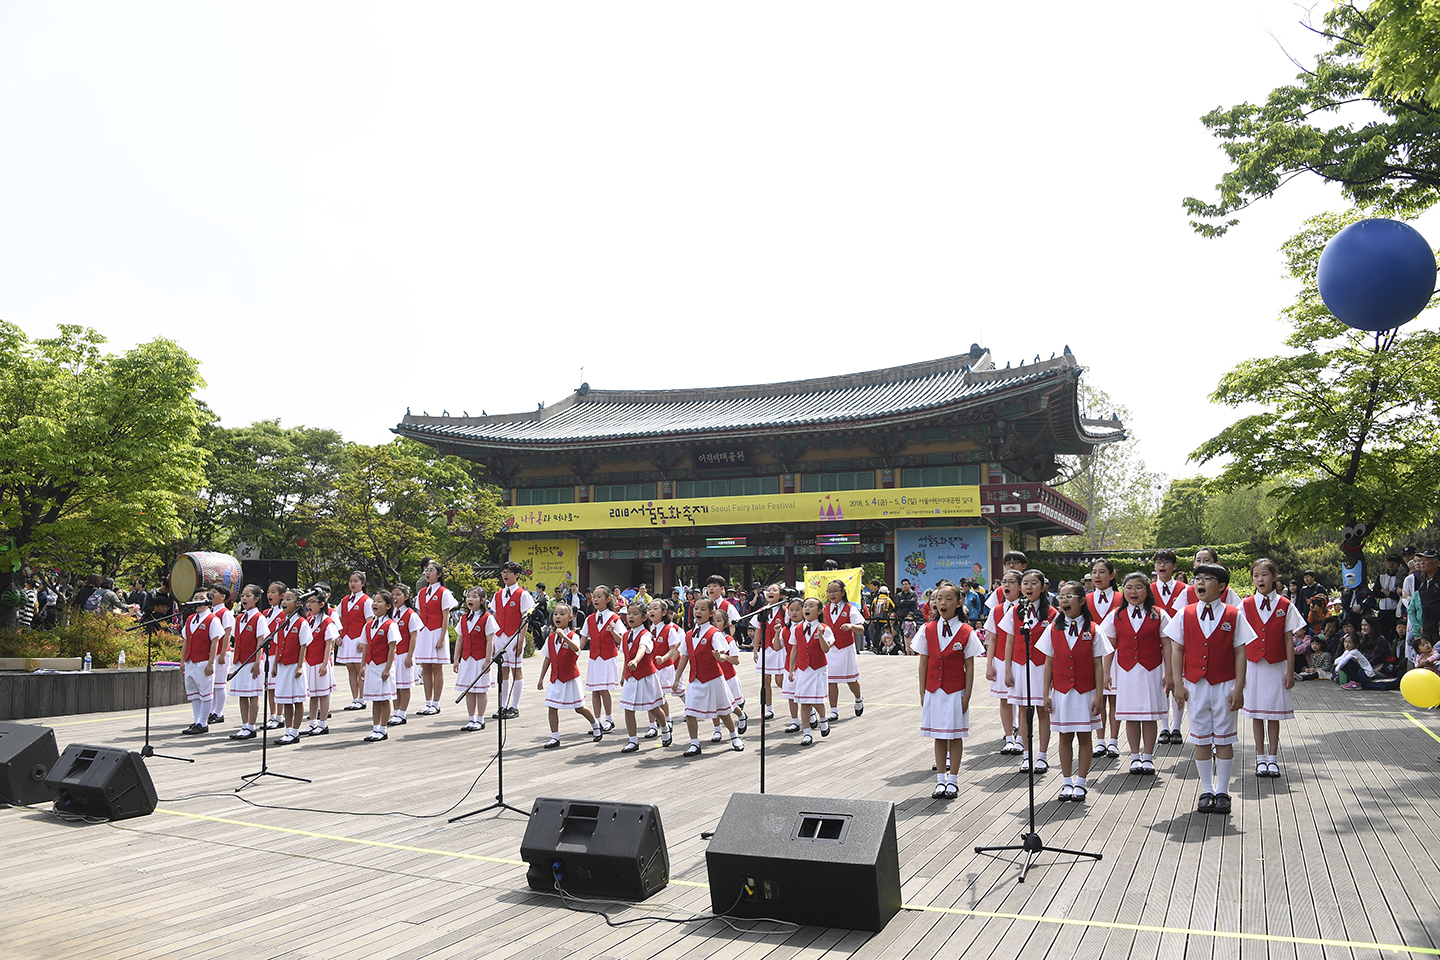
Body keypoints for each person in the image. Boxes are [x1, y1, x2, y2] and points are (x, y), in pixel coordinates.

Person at [1164, 563, 1257, 815]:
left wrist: (1239, 687)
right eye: (1197, 578)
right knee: (1201, 736)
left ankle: (1223, 790)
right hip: (1195, 684)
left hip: (1225, 683)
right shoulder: (1185, 614)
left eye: (1207, 579)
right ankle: (1207, 789)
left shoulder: (1234, 615)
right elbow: (1177, 649)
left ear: (1222, 586)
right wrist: (1178, 683)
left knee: (1225, 737)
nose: (1200, 583)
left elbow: (1241, 651)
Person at [1039, 581, 1111, 802]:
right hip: (1061, 691)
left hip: (1085, 691)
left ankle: (1081, 782)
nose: (1064, 600)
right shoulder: (1053, 629)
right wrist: (1045, 693)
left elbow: (1099, 664)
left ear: (1082, 601)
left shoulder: (1094, 629)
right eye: (1061, 596)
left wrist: (1099, 695)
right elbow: (1048, 663)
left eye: (1070, 596)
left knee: (1084, 736)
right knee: (1064, 736)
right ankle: (1066, 781)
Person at [915, 583, 983, 799]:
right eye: (939, 599)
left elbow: (970, 666)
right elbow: (923, 663)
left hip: (955, 690)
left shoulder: (966, 632)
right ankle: (941, 780)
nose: (942, 603)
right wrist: (922, 692)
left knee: (954, 736)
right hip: (934, 689)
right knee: (938, 735)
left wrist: (967, 695)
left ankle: (953, 780)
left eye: (948, 599)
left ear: (959, 602)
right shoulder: (927, 629)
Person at [1101, 572, 1171, 775]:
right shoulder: (1116, 614)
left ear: (1147, 590)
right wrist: (1106, 673)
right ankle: (1134, 756)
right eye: (1129, 587)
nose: (1133, 591)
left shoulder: (1159, 614)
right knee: (1130, 715)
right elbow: (1109, 646)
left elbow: (1167, 644)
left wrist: (1170, 673)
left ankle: (1148, 756)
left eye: (1138, 587)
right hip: (1126, 671)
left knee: (1149, 716)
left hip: (1152, 670)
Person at [1240, 558, 1304, 779]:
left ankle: (1273, 758)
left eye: (1265, 575)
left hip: (1277, 665)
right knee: (1257, 712)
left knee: (1274, 713)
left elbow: (1289, 639)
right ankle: (1260, 757)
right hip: (1253, 665)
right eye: (1256, 575)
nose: (1260, 579)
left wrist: (1290, 671)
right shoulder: (1245, 605)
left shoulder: (1285, 605)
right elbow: (1239, 640)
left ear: (1274, 577)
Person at [673, 597, 743, 755]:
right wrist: (677, 678)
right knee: (690, 712)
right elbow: (684, 657)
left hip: (713, 679)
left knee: (724, 711)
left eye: (703, 609)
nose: (698, 612)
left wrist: (720, 656)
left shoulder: (715, 634)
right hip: (695, 679)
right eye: (696, 608)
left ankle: (734, 736)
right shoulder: (689, 634)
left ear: (711, 613)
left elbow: (723, 654)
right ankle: (694, 743)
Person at [1004, 570, 1058, 772]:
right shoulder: (1016, 610)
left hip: (1043, 667)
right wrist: (1007, 670)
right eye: (1025, 583)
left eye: (1033, 583)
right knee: (1024, 711)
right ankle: (1027, 755)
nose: (1028, 587)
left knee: (1043, 711)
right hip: (1020, 666)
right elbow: (1009, 641)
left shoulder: (1053, 613)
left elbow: (1056, 646)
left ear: (1043, 587)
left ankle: (1042, 756)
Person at [536, 603, 603, 748]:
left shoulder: (573, 636)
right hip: (556, 677)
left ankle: (595, 725)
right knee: (551, 707)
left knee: (579, 707)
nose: (558, 617)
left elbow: (576, 649)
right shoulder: (551, 637)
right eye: (555, 614)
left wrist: (564, 637)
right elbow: (547, 658)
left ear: (570, 617)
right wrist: (541, 677)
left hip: (571, 677)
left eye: (562, 614)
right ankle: (555, 737)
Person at [983, 569, 1024, 756]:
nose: (1006, 585)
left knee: (1023, 702)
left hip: (1021, 660)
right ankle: (1009, 738)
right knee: (1004, 700)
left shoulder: (1026, 609)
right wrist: (989, 663)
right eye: (1004, 582)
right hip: (1000, 660)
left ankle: (1022, 739)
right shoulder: (997, 610)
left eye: (1011, 582)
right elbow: (992, 639)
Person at [619, 602, 667, 753]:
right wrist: (623, 674)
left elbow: (643, 648)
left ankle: (665, 730)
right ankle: (633, 740)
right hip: (631, 677)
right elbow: (626, 656)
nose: (630, 617)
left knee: (653, 708)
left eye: (635, 614)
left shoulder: (646, 634)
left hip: (645, 676)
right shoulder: (626, 635)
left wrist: (636, 661)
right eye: (629, 613)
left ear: (644, 617)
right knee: (627, 708)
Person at [1087, 559, 1123, 760]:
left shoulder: (1122, 598)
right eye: (1094, 572)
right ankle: (1100, 741)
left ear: (1112, 575)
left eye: (1102, 572)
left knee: (1114, 699)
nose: (1097, 576)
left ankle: (1114, 741)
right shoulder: (1085, 599)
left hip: (1116, 655)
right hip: (1092, 655)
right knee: (1097, 698)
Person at [1150, 549, 1187, 745]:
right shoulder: (1148, 589)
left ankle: (1177, 727)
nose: (1162, 565)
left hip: (1179, 643)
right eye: (1158, 562)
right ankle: (1164, 727)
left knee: (1178, 682)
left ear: (1174, 566)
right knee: (1162, 683)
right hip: (1157, 643)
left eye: (1166, 562)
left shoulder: (1185, 589)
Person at [786, 597, 833, 747]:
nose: (806, 608)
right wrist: (791, 669)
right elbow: (795, 649)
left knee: (816, 700)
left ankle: (823, 718)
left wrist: (820, 636)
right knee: (803, 702)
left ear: (819, 611)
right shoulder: (797, 628)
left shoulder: (825, 628)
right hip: (803, 669)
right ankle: (807, 733)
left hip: (818, 668)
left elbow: (826, 649)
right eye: (805, 606)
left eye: (811, 606)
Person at [227, 584, 270, 740]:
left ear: (256, 599)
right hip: (240, 661)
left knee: (253, 695)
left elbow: (261, 641)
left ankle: (251, 726)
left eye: (248, 596)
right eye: (243, 596)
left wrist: (258, 662)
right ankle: (244, 725)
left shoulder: (259, 618)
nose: (244, 598)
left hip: (252, 661)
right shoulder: (239, 618)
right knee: (242, 695)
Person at [493, 560, 535, 720]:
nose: (505, 575)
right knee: (503, 670)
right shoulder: (498, 595)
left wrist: (521, 639)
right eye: (503, 572)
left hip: (514, 635)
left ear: (517, 575)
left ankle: (514, 706)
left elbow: (525, 618)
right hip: (500, 636)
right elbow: (495, 616)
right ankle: (502, 706)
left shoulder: (522, 594)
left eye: (508, 572)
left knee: (516, 670)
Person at [414, 562, 457, 717]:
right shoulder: (422, 592)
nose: (428, 573)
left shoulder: (443, 592)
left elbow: (446, 616)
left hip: (437, 630)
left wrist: (442, 637)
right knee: (426, 667)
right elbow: (420, 614)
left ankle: (436, 703)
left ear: (439, 574)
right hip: (424, 632)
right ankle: (427, 702)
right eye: (426, 570)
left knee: (436, 668)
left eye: (431, 570)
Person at [269, 589, 312, 746]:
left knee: (297, 699)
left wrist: (300, 666)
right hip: (282, 665)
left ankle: (295, 731)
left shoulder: (302, 623)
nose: (284, 602)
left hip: (294, 665)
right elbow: (277, 644)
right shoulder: (281, 623)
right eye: (284, 599)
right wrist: (274, 665)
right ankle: (288, 730)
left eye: (288, 599)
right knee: (286, 700)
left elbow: (303, 645)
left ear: (298, 603)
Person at [453, 587, 498, 731]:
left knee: (481, 690)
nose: (470, 600)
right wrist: (456, 659)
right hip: (467, 658)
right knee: (469, 689)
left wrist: (488, 659)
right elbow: (460, 639)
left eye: (474, 597)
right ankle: (471, 718)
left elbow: (490, 640)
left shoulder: (487, 618)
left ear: (483, 600)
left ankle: (480, 719)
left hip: (480, 658)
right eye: (468, 597)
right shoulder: (464, 617)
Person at [179, 589, 223, 735]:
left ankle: (203, 722)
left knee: (205, 692)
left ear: (208, 601)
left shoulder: (212, 619)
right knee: (194, 693)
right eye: (195, 598)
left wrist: (211, 662)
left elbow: (214, 641)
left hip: (203, 660)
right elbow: (186, 640)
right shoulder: (191, 618)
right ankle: (197, 720)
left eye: (201, 598)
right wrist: (182, 660)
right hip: (191, 660)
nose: (197, 600)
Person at [822, 579, 866, 722]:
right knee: (831, 680)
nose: (832, 594)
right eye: (829, 591)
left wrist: (851, 626)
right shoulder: (824, 609)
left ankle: (858, 699)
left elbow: (861, 628)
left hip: (845, 648)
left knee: (851, 680)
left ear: (843, 592)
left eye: (835, 591)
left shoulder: (850, 608)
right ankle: (833, 710)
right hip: (830, 649)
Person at [581, 585, 624, 732]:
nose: (596, 599)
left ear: (608, 599)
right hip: (594, 658)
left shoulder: (614, 618)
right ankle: (597, 721)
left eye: (599, 596)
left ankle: (609, 719)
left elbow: (622, 641)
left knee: (604, 689)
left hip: (608, 657)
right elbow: (583, 639)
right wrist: (575, 653)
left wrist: (612, 631)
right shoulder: (590, 619)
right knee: (595, 690)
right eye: (594, 597)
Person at [359, 590, 401, 741]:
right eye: (374, 601)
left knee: (384, 698)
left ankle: (383, 729)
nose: (375, 604)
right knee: (375, 699)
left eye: (379, 601)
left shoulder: (390, 625)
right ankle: (375, 727)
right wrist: (363, 666)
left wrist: (388, 668)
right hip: (371, 665)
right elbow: (365, 646)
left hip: (383, 665)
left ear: (389, 606)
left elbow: (392, 647)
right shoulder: (369, 625)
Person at [335, 572, 373, 713]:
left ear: (362, 583)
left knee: (360, 669)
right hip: (346, 638)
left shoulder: (366, 601)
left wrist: (365, 641)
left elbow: (369, 623)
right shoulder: (344, 600)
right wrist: (338, 635)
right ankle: (355, 698)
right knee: (350, 669)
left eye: (356, 581)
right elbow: (337, 618)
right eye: (351, 581)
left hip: (358, 639)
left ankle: (362, 698)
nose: (352, 584)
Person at [302, 592, 339, 736]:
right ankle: (312, 723)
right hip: (310, 662)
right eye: (308, 601)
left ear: (321, 604)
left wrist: (324, 664)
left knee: (323, 694)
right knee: (313, 694)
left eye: (312, 602)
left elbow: (329, 644)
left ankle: (323, 723)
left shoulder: (327, 622)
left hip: (321, 663)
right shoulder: (309, 620)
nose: (309, 605)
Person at [388, 583, 422, 726]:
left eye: (398, 595)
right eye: (393, 595)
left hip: (404, 653)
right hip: (393, 654)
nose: (395, 598)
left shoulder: (410, 614)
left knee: (404, 685)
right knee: (394, 685)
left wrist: (410, 655)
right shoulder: (390, 614)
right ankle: (395, 711)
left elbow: (414, 636)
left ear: (406, 597)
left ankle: (402, 713)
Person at [752, 583, 788, 719]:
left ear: (781, 594)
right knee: (766, 680)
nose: (770, 592)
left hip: (780, 649)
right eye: (768, 590)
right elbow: (758, 631)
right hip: (766, 648)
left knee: (780, 681)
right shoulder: (762, 610)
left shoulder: (785, 610)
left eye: (774, 590)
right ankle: (769, 709)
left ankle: (796, 698)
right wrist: (755, 650)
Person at [207, 585, 236, 727]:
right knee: (212, 684)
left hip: (221, 652)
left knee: (219, 684)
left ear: (223, 596)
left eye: (214, 593)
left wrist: (223, 653)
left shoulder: (226, 613)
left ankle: (218, 712)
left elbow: (227, 634)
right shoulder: (211, 612)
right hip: (212, 652)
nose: (210, 595)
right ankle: (212, 711)